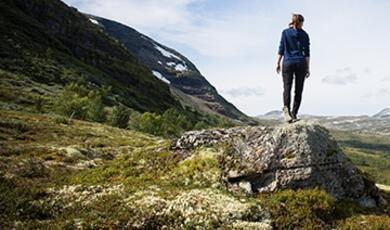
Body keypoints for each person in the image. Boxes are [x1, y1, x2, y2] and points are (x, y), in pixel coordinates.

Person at [276, 13, 310, 123]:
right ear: (300, 23)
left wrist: (277, 62)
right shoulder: (305, 35)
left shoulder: (285, 33)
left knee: (287, 88)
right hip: (300, 63)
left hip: (288, 62)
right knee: (298, 90)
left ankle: (287, 112)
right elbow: (307, 53)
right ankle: (294, 114)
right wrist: (308, 68)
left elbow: (281, 49)